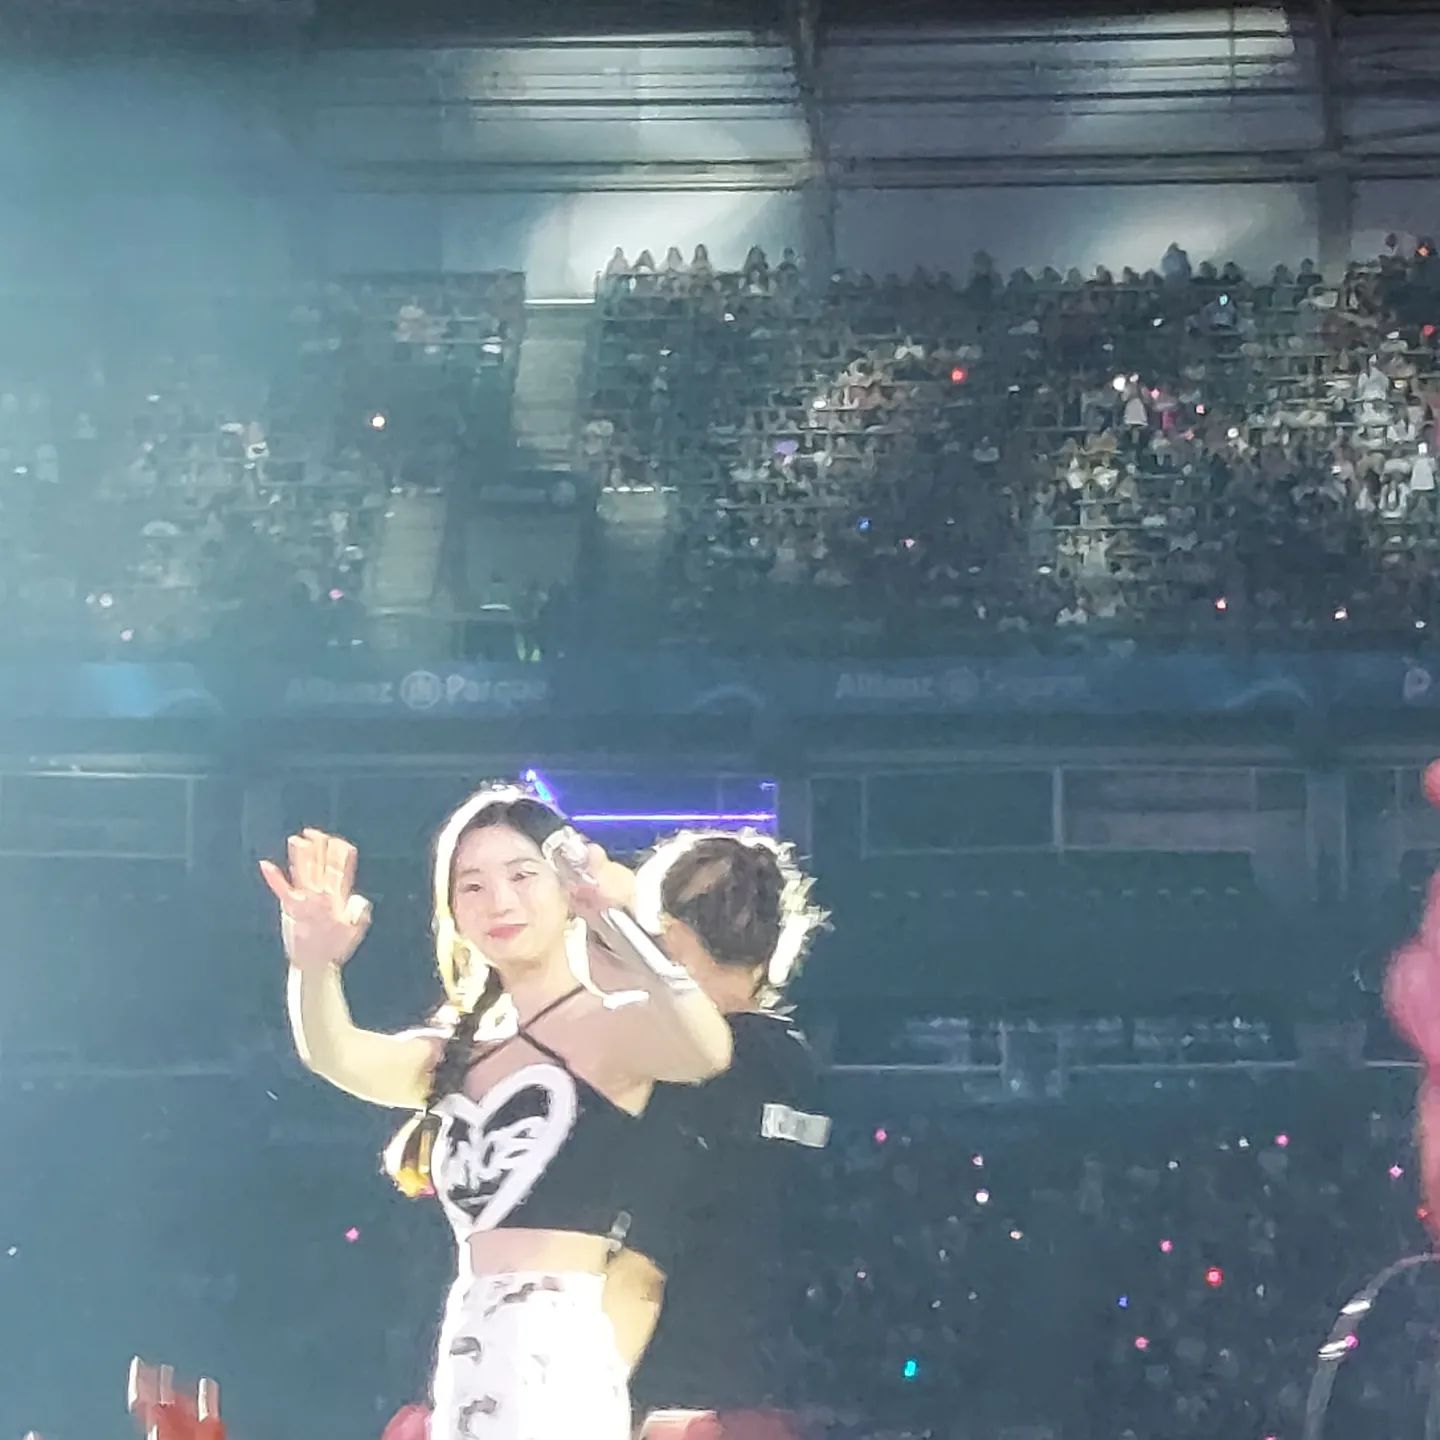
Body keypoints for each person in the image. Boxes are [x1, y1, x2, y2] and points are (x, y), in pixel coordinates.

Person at [258, 786, 733, 1440]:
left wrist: (617, 921)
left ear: (564, 889)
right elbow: (336, 1054)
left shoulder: (607, 1027)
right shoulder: (458, 1050)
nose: (499, 902)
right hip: (470, 1348)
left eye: (521, 876)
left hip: (559, 1361)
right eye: (473, 885)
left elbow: (706, 1048)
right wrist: (313, 966)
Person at [602, 830, 831, 1440]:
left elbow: (641, 1274)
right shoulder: (798, 1066)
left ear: (671, 938)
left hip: (670, 1412)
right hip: (772, 1400)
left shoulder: (687, 1072)